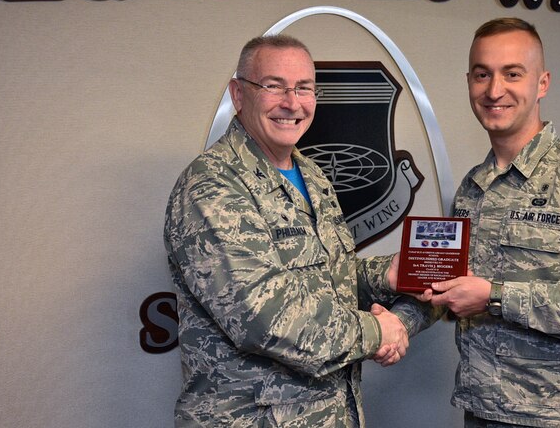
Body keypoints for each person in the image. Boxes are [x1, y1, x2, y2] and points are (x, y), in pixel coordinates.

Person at [391, 18, 560, 427]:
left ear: (542, 83)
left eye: (512, 74)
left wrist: (495, 297)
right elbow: (449, 283)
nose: (494, 90)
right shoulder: (474, 189)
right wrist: (396, 322)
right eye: (481, 75)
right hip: (483, 413)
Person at [164, 35, 408, 427]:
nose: (291, 103)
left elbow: (324, 282)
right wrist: (376, 332)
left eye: (304, 88)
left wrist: (387, 276)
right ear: (239, 94)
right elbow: (265, 317)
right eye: (273, 86)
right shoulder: (211, 186)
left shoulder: (311, 175)